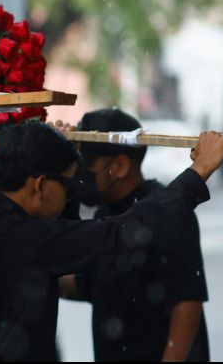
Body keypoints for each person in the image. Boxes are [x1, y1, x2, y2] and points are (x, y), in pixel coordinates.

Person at [0, 121, 223, 361]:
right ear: (41, 185)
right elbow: (121, 231)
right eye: (68, 186)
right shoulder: (22, 237)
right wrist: (199, 171)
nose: (74, 194)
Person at [58, 109, 210, 361]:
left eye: (85, 166)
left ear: (119, 166)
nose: (79, 175)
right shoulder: (104, 213)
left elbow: (187, 303)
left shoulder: (168, 210)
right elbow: (85, 283)